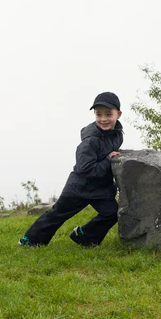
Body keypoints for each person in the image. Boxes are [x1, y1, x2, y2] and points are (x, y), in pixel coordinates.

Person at [18, 92, 123, 247]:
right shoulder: (90, 141)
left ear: (118, 114)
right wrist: (108, 160)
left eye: (109, 114)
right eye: (99, 114)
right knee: (58, 214)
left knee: (112, 213)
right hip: (80, 187)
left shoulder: (117, 134)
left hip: (100, 188)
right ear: (94, 114)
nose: (103, 119)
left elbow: (111, 151)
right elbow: (85, 169)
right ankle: (29, 240)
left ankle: (85, 236)